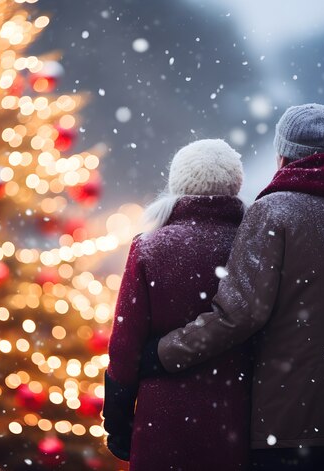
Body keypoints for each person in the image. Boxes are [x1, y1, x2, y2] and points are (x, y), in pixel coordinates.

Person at [140, 104, 324, 471]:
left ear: (282, 155)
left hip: (287, 431)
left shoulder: (273, 212)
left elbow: (239, 314)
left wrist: (163, 353)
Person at [103, 139, 252, 470]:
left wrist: (118, 422)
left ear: (178, 184)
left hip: (162, 423)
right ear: (235, 184)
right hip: (235, 419)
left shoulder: (150, 247)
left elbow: (125, 346)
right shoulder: (254, 247)